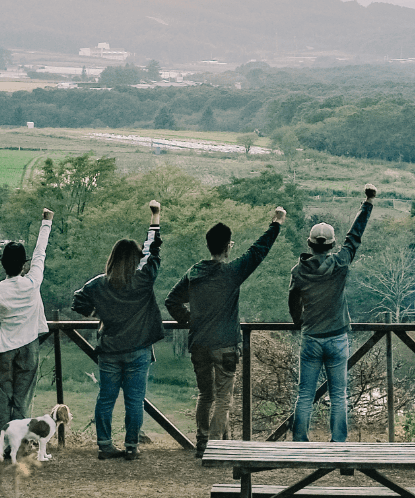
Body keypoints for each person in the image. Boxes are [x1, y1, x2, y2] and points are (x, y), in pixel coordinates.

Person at [165, 206, 287, 458]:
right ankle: (214, 446)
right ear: (228, 246)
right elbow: (258, 251)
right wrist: (276, 223)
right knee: (223, 398)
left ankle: (201, 441)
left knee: (205, 394)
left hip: (198, 343)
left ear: (209, 245)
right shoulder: (231, 274)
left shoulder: (195, 273)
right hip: (226, 346)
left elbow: (172, 301)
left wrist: (190, 321)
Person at [72, 200, 164, 461]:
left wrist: (97, 313)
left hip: (109, 350)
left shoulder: (98, 285)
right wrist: (155, 218)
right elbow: (152, 252)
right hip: (138, 350)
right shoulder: (143, 280)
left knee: (106, 399)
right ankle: (132, 446)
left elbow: (78, 302)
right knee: (135, 402)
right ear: (135, 259)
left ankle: (104, 444)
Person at [289, 184, 376, 442]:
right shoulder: (340, 263)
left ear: (309, 243)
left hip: (311, 337)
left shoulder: (298, 271)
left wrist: (298, 322)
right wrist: (368, 203)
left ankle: (299, 443)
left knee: (305, 394)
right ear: (332, 244)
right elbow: (354, 237)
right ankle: (338, 443)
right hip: (338, 337)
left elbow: (293, 302)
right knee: (339, 394)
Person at [0, 208, 54, 445]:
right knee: (21, 400)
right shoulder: (32, 283)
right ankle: (17, 445)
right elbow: (40, 253)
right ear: (23, 264)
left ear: (4, 264)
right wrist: (46, 222)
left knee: (5, 399)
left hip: (2, 351)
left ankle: (1, 445)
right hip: (29, 349)